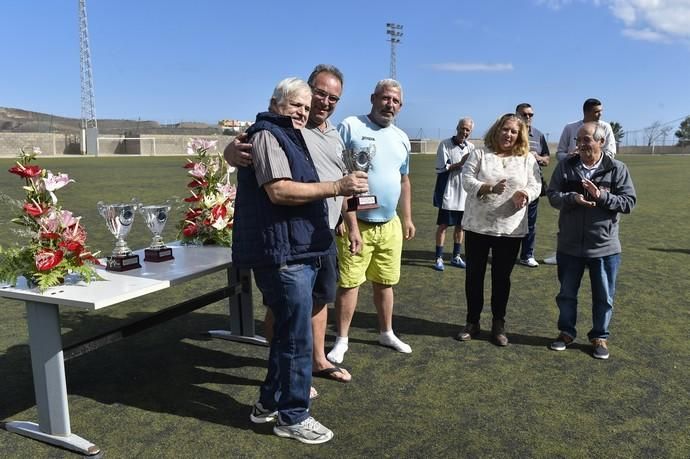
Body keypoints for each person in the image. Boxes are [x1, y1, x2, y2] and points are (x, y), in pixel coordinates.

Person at [231, 77, 367, 444]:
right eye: (297, 105)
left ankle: (267, 403)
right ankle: (292, 416)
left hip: (299, 247)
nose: (303, 112)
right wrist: (337, 187)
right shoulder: (266, 134)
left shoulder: (290, 135)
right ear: (276, 102)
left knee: (291, 335)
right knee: (295, 338)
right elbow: (279, 190)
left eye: (306, 108)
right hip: (283, 252)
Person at [326, 79, 416, 364]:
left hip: (389, 224)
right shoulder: (351, 125)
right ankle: (342, 339)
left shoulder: (402, 137)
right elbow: (336, 173)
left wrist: (408, 217)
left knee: (385, 282)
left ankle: (386, 332)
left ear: (400, 107)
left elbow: (404, 179)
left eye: (396, 101)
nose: (390, 104)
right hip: (357, 222)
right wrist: (344, 216)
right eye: (385, 98)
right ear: (373, 98)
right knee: (350, 283)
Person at [546, 122, 636, 360]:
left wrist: (601, 196)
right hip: (569, 244)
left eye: (586, 140)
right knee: (566, 294)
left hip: (604, 246)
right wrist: (572, 197)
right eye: (579, 140)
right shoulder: (566, 166)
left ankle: (600, 337)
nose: (581, 145)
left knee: (603, 297)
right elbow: (552, 195)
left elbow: (628, 202)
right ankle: (566, 332)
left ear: (601, 142)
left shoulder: (617, 169)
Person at [457, 114, 541, 346]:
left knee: (501, 279)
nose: (508, 135)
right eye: (505, 129)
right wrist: (488, 187)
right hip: (478, 226)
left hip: (510, 228)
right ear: (497, 130)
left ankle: (498, 324)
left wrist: (525, 194)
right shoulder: (480, 154)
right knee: (474, 276)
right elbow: (466, 180)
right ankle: (472, 322)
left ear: (520, 135)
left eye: (514, 131)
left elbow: (536, 184)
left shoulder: (526, 159)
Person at [545, 97, 617, 265]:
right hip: (572, 176)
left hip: (599, 177)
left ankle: (595, 255)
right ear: (586, 111)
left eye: (601, 111)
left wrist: (590, 157)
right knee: (569, 216)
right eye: (596, 111)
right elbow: (560, 153)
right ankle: (562, 253)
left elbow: (611, 153)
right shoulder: (570, 128)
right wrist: (572, 157)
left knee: (598, 217)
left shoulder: (606, 127)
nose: (600, 114)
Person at [431, 117, 475, 271]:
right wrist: (461, 163)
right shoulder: (445, 144)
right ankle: (438, 258)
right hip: (449, 193)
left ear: (471, 131)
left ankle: (456, 256)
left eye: (467, 129)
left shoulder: (471, 147)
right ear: (457, 128)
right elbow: (441, 168)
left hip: (464, 195)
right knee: (443, 226)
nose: (464, 132)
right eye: (462, 128)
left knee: (460, 227)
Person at [515, 103, 550, 268]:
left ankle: (527, 255)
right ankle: (506, 254)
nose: (527, 117)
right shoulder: (510, 132)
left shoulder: (538, 135)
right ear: (517, 115)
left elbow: (547, 159)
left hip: (534, 185)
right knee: (510, 219)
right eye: (524, 114)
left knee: (530, 222)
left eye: (530, 114)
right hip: (513, 185)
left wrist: (538, 158)